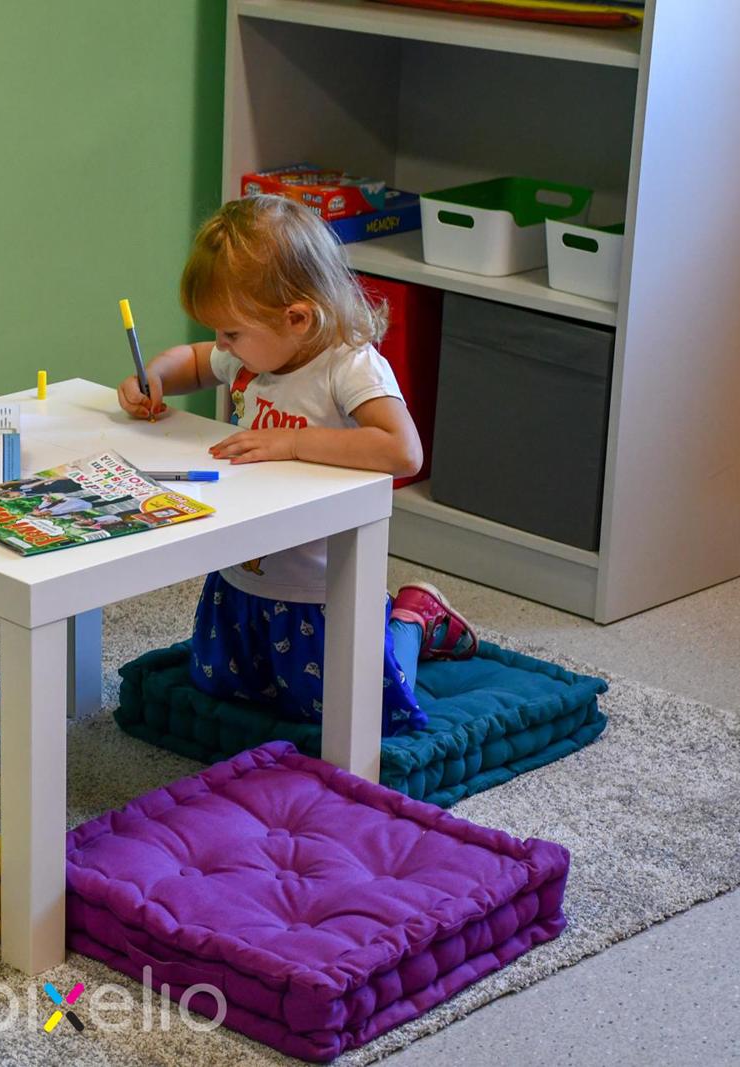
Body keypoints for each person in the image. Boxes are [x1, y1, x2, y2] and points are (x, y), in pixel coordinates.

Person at [116, 195, 478, 732]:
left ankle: (411, 618)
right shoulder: (252, 353)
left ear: (298, 318)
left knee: (356, 707)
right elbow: (192, 361)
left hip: (321, 587)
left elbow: (403, 450)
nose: (221, 345)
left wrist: (293, 443)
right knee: (218, 683)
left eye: (231, 333)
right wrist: (156, 377)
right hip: (243, 572)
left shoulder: (349, 367)